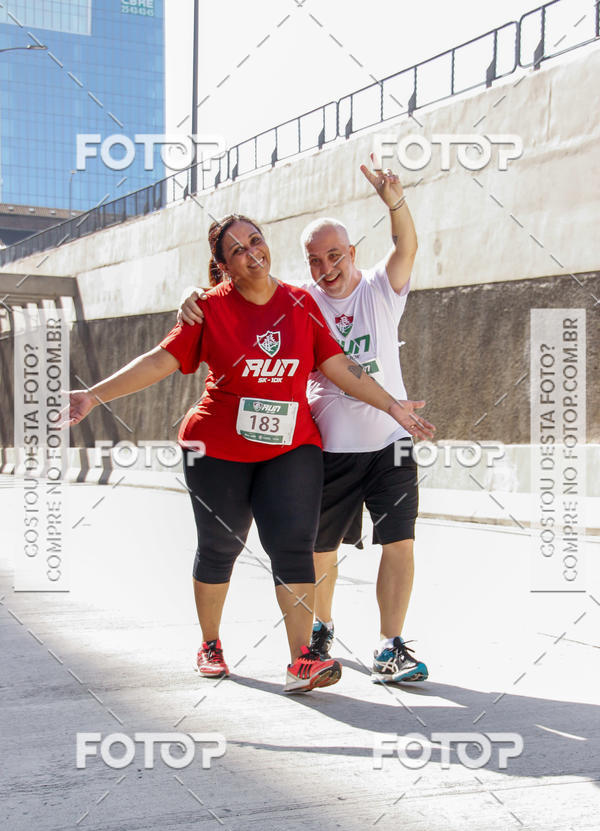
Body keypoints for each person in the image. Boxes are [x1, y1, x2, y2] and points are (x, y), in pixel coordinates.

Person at [65, 213, 434, 694]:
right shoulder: (208, 310)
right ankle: (211, 643)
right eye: (237, 249)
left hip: (291, 446)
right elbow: (161, 359)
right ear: (223, 265)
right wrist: (94, 395)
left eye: (255, 241)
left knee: (293, 544)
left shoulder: (301, 304)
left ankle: (303, 659)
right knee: (222, 546)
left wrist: (393, 408)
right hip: (217, 448)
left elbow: (340, 365)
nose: (251, 252)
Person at [179, 157, 430, 685]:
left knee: (399, 541)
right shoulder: (301, 299)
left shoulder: (381, 289)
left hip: (393, 439)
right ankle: (320, 632)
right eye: (315, 261)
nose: (326, 268)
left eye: (335, 256)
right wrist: (193, 299)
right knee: (320, 549)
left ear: (352, 253)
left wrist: (395, 203)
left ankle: (390, 646)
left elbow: (406, 246)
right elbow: (244, 295)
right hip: (330, 445)